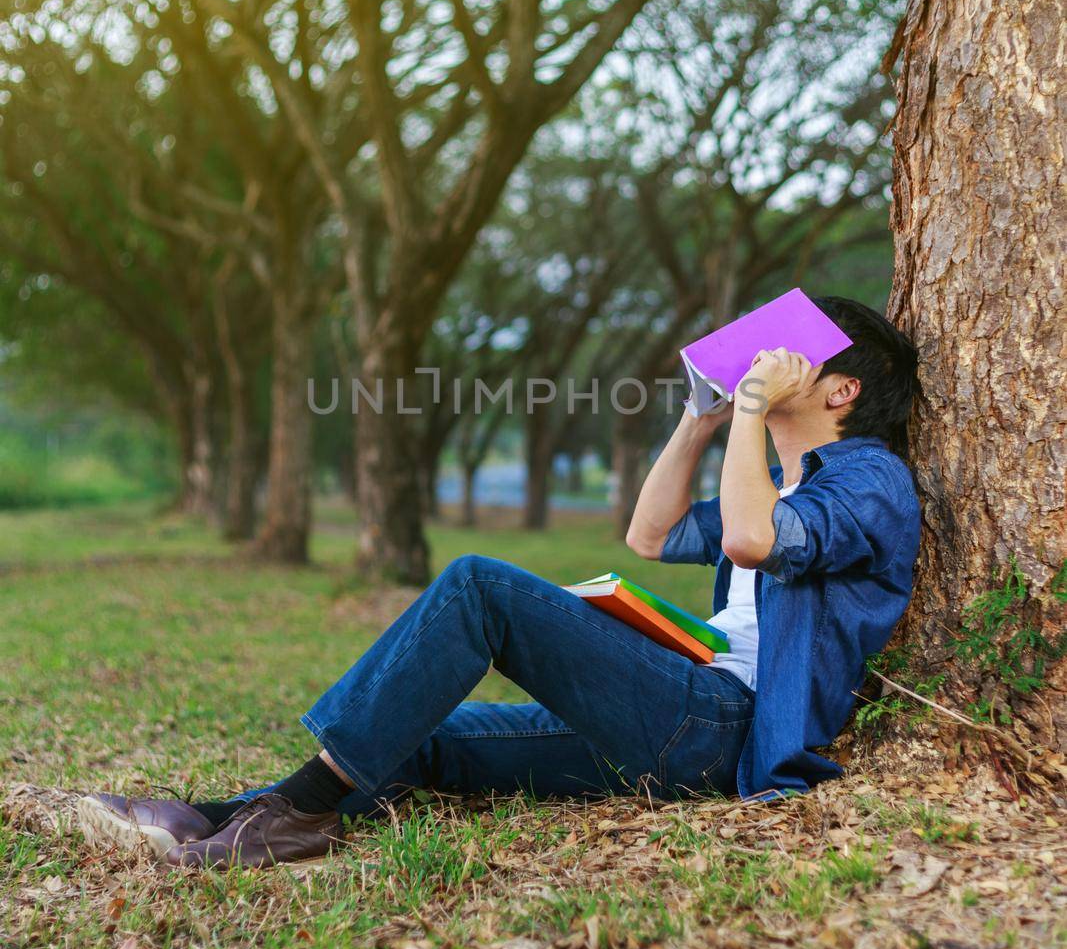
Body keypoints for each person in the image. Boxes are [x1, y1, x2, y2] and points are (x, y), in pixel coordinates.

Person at [77, 296, 921, 870]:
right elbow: (651, 535)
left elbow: (745, 539)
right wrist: (701, 417)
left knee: (481, 586)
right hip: (679, 721)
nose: (769, 360)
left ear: (841, 389)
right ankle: (225, 815)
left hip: (723, 729)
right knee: (427, 738)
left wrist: (745, 410)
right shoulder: (775, 484)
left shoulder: (868, 479)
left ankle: (295, 817)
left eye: (793, 353)